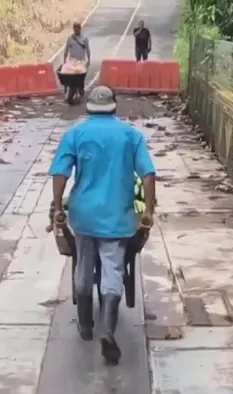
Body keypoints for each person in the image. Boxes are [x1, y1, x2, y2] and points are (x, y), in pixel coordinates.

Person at [49, 86, 156, 365]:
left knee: (83, 263)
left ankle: (85, 325)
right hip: (118, 217)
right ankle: (107, 329)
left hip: (83, 215)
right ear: (114, 107)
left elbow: (60, 173)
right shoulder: (131, 136)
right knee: (113, 268)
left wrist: (58, 207)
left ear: (88, 108)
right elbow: (148, 174)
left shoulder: (75, 134)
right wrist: (148, 213)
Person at [62, 22, 91, 100]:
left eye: (78, 28)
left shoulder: (84, 39)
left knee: (80, 74)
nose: (76, 30)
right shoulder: (70, 39)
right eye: (75, 28)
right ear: (73, 29)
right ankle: (69, 88)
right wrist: (64, 60)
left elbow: (88, 50)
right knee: (67, 72)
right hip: (72, 61)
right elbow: (66, 50)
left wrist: (89, 60)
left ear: (80, 29)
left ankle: (80, 87)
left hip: (81, 61)